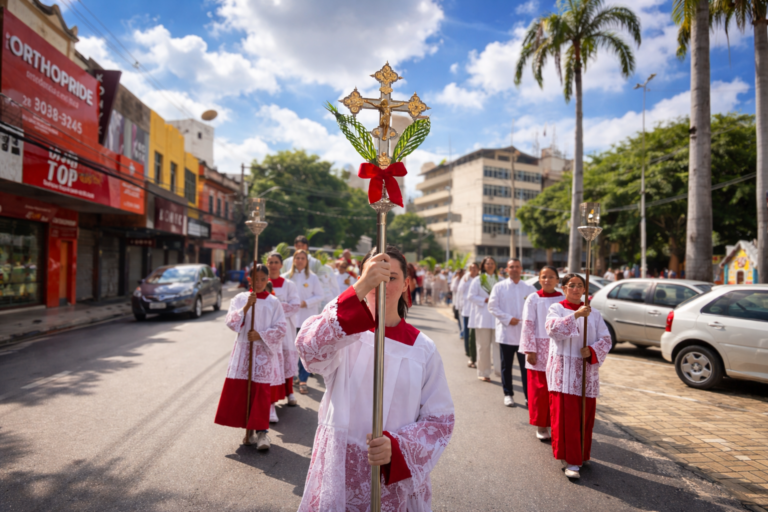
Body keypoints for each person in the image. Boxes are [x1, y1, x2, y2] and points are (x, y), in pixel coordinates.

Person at [295, 245, 454, 511]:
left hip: (389, 471)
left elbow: (440, 420)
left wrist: (397, 446)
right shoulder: (341, 331)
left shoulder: (422, 348)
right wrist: (359, 289)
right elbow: (310, 352)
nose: (381, 283)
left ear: (405, 284)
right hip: (340, 462)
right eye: (373, 274)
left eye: (391, 277)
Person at [545, 273, 612, 479]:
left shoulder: (595, 314)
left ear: (585, 290)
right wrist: (575, 315)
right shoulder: (556, 308)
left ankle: (581, 454)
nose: (575, 289)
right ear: (564, 288)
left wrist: (591, 351)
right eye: (571, 285)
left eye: (580, 285)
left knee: (584, 417)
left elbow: (606, 339)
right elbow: (552, 329)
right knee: (567, 418)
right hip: (563, 372)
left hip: (585, 372)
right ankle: (571, 461)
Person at [214, 264, 287, 450]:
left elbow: (281, 328)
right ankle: (248, 429)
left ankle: (263, 433)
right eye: (256, 279)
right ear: (250, 280)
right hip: (243, 352)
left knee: (261, 391)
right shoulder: (240, 299)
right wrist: (246, 307)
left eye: (263, 279)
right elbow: (231, 322)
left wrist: (261, 335)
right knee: (243, 390)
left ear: (268, 280)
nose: (260, 282)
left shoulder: (273, 302)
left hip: (263, 353)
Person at [520, 266, 562, 440]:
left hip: (558, 347)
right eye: (544, 277)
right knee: (539, 390)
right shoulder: (533, 298)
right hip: (537, 347)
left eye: (551, 277)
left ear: (557, 280)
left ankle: (556, 424)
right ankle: (541, 425)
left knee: (556, 388)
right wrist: (529, 349)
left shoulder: (562, 298)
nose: (547, 280)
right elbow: (528, 323)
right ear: (539, 279)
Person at [488, 258, 536, 408]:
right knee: (506, 366)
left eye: (517, 266)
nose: (514, 269)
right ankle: (508, 394)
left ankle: (529, 397)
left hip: (524, 335)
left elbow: (536, 306)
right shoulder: (499, 287)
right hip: (506, 333)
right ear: (506, 270)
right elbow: (492, 307)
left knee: (526, 368)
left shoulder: (529, 288)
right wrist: (508, 319)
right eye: (511, 267)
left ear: (521, 269)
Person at [284, 249, 324, 395]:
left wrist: (305, 302)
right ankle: (293, 376)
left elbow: (320, 295)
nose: (300, 260)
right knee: (291, 348)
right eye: (297, 258)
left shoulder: (312, 278)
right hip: (291, 319)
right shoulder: (286, 277)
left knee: (304, 349)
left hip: (307, 318)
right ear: (293, 260)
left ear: (306, 261)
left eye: (303, 258)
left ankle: (303, 380)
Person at [267, 252, 301, 409]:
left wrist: (274, 307)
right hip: (267, 329)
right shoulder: (262, 282)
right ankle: (270, 395)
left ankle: (289, 392)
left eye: (276, 262)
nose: (273, 265)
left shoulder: (288, 284)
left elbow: (295, 305)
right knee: (271, 361)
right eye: (270, 262)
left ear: (281, 265)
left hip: (284, 328)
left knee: (287, 358)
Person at [468, 257, 500, 382]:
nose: (490, 265)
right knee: (483, 346)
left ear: (495, 265)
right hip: (482, 317)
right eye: (488, 263)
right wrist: (484, 300)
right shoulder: (478, 280)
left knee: (498, 346)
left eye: (492, 263)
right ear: (483, 266)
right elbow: (471, 296)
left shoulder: (500, 280)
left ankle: (499, 371)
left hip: (498, 318)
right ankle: (484, 372)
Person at [459, 263, 479, 368]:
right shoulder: (465, 278)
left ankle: (474, 355)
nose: (473, 270)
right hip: (467, 310)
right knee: (466, 333)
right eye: (471, 268)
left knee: (475, 335)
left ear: (478, 269)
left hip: (477, 310)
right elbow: (460, 291)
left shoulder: (481, 279)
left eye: (474, 268)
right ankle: (468, 352)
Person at [450, 268, 465, 336]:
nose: (461, 275)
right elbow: (453, 288)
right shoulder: (456, 280)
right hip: (456, 301)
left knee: (463, 317)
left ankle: (463, 331)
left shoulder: (465, 280)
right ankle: (461, 330)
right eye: (459, 273)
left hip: (464, 302)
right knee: (458, 317)